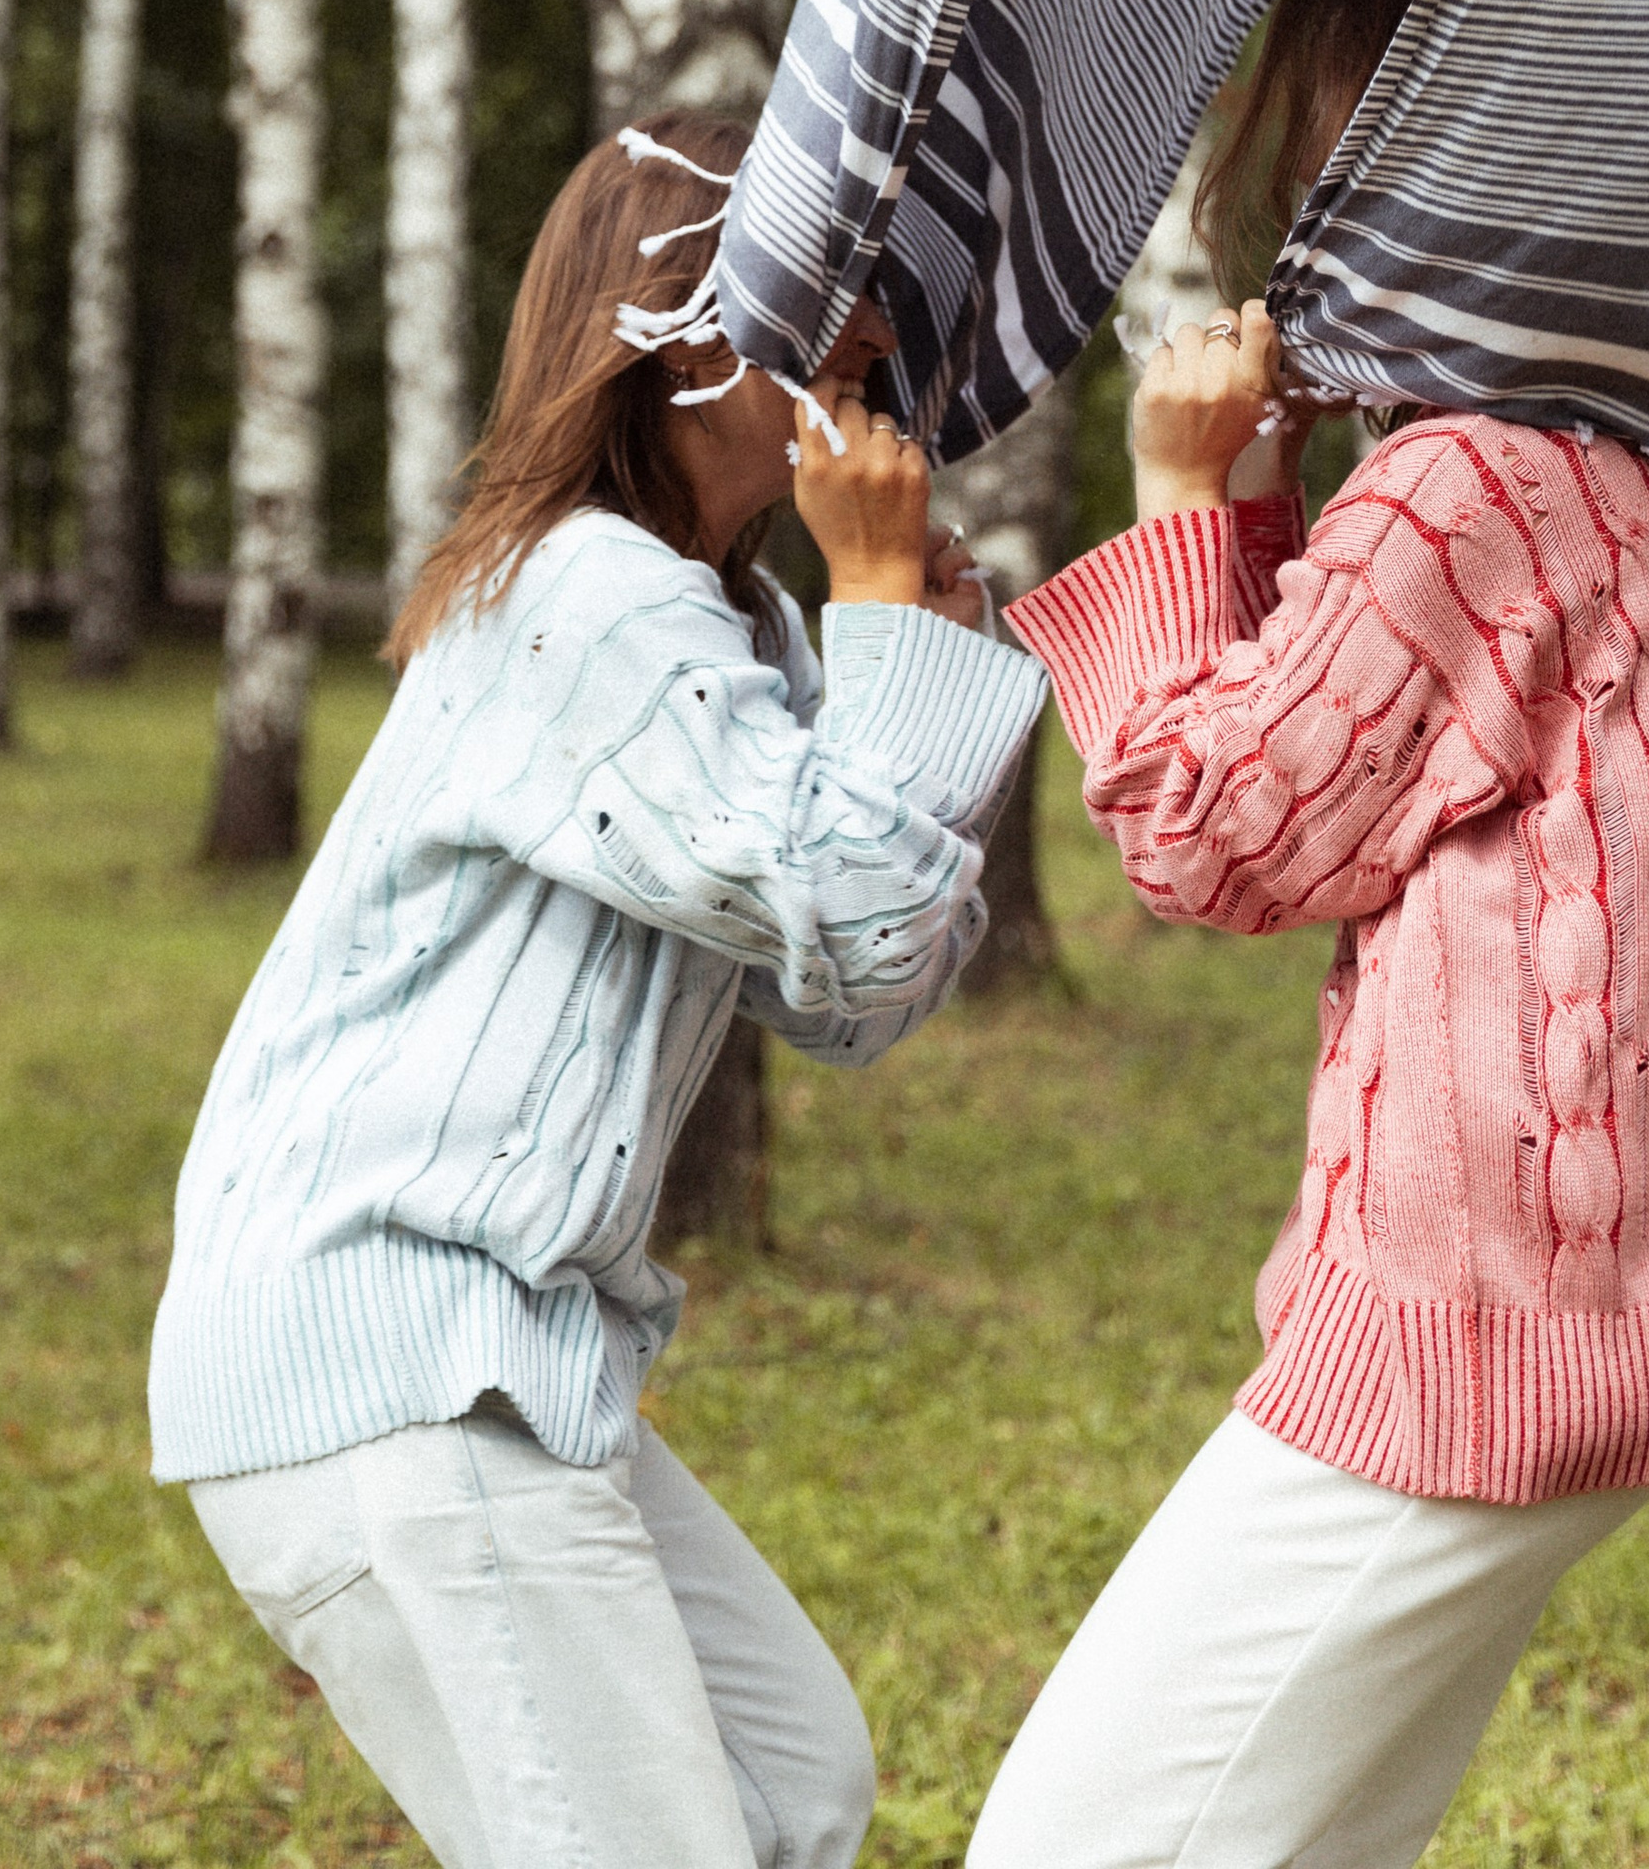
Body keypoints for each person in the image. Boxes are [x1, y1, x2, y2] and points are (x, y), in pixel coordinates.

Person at [976, 0, 1649, 1869]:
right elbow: (1349, 766)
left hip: (1458, 1340)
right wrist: (1272, 513)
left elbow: (1212, 831)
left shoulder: (1465, 487)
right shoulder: (1610, 466)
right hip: (1572, 1303)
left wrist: (1176, 503)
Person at [151, 114, 1045, 1869]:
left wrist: (904, 659)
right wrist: (883, 620)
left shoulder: (735, 629)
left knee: (792, 1788)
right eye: (831, 287)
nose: (876, 335)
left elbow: (855, 1001)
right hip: (392, 1348)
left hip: (514, 1354)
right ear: (690, 327)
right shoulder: (585, 602)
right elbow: (863, 916)